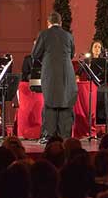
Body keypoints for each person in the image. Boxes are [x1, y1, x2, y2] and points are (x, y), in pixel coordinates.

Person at [32, 11, 78, 143]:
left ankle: (49, 135)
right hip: (67, 74)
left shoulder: (44, 34)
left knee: (50, 103)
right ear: (61, 22)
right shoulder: (68, 35)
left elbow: (35, 54)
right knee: (65, 102)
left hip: (50, 74)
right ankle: (65, 136)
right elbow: (72, 54)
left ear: (48, 23)